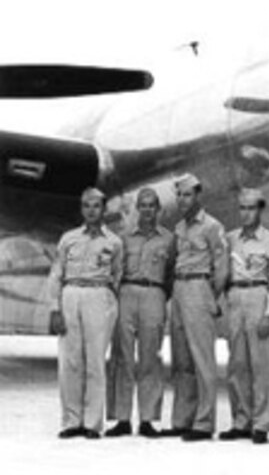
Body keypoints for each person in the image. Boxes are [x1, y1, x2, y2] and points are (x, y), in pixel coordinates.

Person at [50, 187, 123, 439]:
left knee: (95, 361)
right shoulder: (68, 238)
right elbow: (56, 273)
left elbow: (117, 274)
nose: (91, 211)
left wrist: (109, 304)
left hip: (98, 295)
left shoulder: (114, 242)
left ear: (104, 209)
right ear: (81, 209)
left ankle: (92, 423)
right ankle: (71, 421)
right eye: (86, 206)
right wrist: (55, 308)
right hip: (71, 293)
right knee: (70, 361)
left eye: (96, 206)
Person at [163, 173, 228, 441]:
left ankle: (203, 422)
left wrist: (210, 296)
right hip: (179, 289)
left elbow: (222, 266)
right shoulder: (179, 228)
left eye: (187, 194)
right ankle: (182, 419)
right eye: (179, 194)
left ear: (198, 196)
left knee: (202, 359)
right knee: (181, 360)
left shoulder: (212, 226)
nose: (182, 199)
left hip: (199, 288)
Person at [105, 187, 175, 438]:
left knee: (150, 357)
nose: (147, 210)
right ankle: (122, 418)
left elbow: (171, 272)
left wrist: (159, 294)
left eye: (151, 205)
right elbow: (115, 269)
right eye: (143, 205)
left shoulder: (169, 239)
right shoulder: (124, 238)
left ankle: (147, 419)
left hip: (154, 293)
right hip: (127, 292)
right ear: (137, 209)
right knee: (121, 355)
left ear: (158, 209)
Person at [219, 188, 269, 444]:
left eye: (251, 208)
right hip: (235, 297)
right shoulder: (230, 239)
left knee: (261, 365)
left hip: (258, 294)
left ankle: (262, 423)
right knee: (237, 364)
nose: (246, 214)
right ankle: (241, 420)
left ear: (260, 210)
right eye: (242, 208)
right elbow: (223, 273)